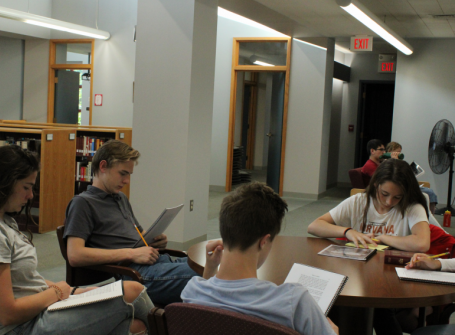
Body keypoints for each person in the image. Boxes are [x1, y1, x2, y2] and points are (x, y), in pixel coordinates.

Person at [0, 145, 153, 335]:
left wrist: (76, 291)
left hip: (42, 310)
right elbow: (7, 313)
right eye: (26, 187)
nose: (30, 196)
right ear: (4, 184)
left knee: (136, 326)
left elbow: (25, 280)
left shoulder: (3, 222)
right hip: (26, 326)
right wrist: (57, 291)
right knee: (133, 291)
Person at [181, 182, 339, 335]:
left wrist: (210, 269)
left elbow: (211, 305)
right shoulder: (294, 303)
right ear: (264, 242)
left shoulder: (192, 292)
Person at [64, 140, 199, 305]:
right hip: (137, 274)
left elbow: (137, 238)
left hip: (156, 262)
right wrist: (131, 253)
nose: (127, 180)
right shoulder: (82, 203)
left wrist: (154, 240)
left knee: (213, 261)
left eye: (129, 174)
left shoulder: (120, 198)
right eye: (123, 173)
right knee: (208, 273)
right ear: (103, 166)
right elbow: (75, 255)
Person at [308, 158, 430, 252]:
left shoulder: (412, 207)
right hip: (358, 266)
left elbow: (422, 243)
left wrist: (383, 238)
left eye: (397, 197)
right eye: (384, 194)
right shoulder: (358, 202)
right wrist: (348, 232)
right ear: (376, 184)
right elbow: (314, 226)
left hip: (392, 268)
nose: (389, 202)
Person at [386, 141, 439, 214]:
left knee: (430, 192)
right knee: (428, 193)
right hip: (402, 186)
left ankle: (430, 214)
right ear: (390, 151)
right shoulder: (387, 163)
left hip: (408, 184)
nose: (400, 154)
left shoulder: (398, 162)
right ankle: (428, 214)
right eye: (398, 152)